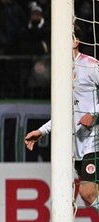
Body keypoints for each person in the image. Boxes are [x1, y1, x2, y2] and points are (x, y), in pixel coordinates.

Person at [24, 26, 99, 210]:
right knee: (91, 194)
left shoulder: (90, 65)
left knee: (87, 192)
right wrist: (42, 131)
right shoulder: (59, 74)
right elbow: (64, 112)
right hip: (76, 145)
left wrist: (94, 115)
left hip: (94, 139)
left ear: (76, 41)